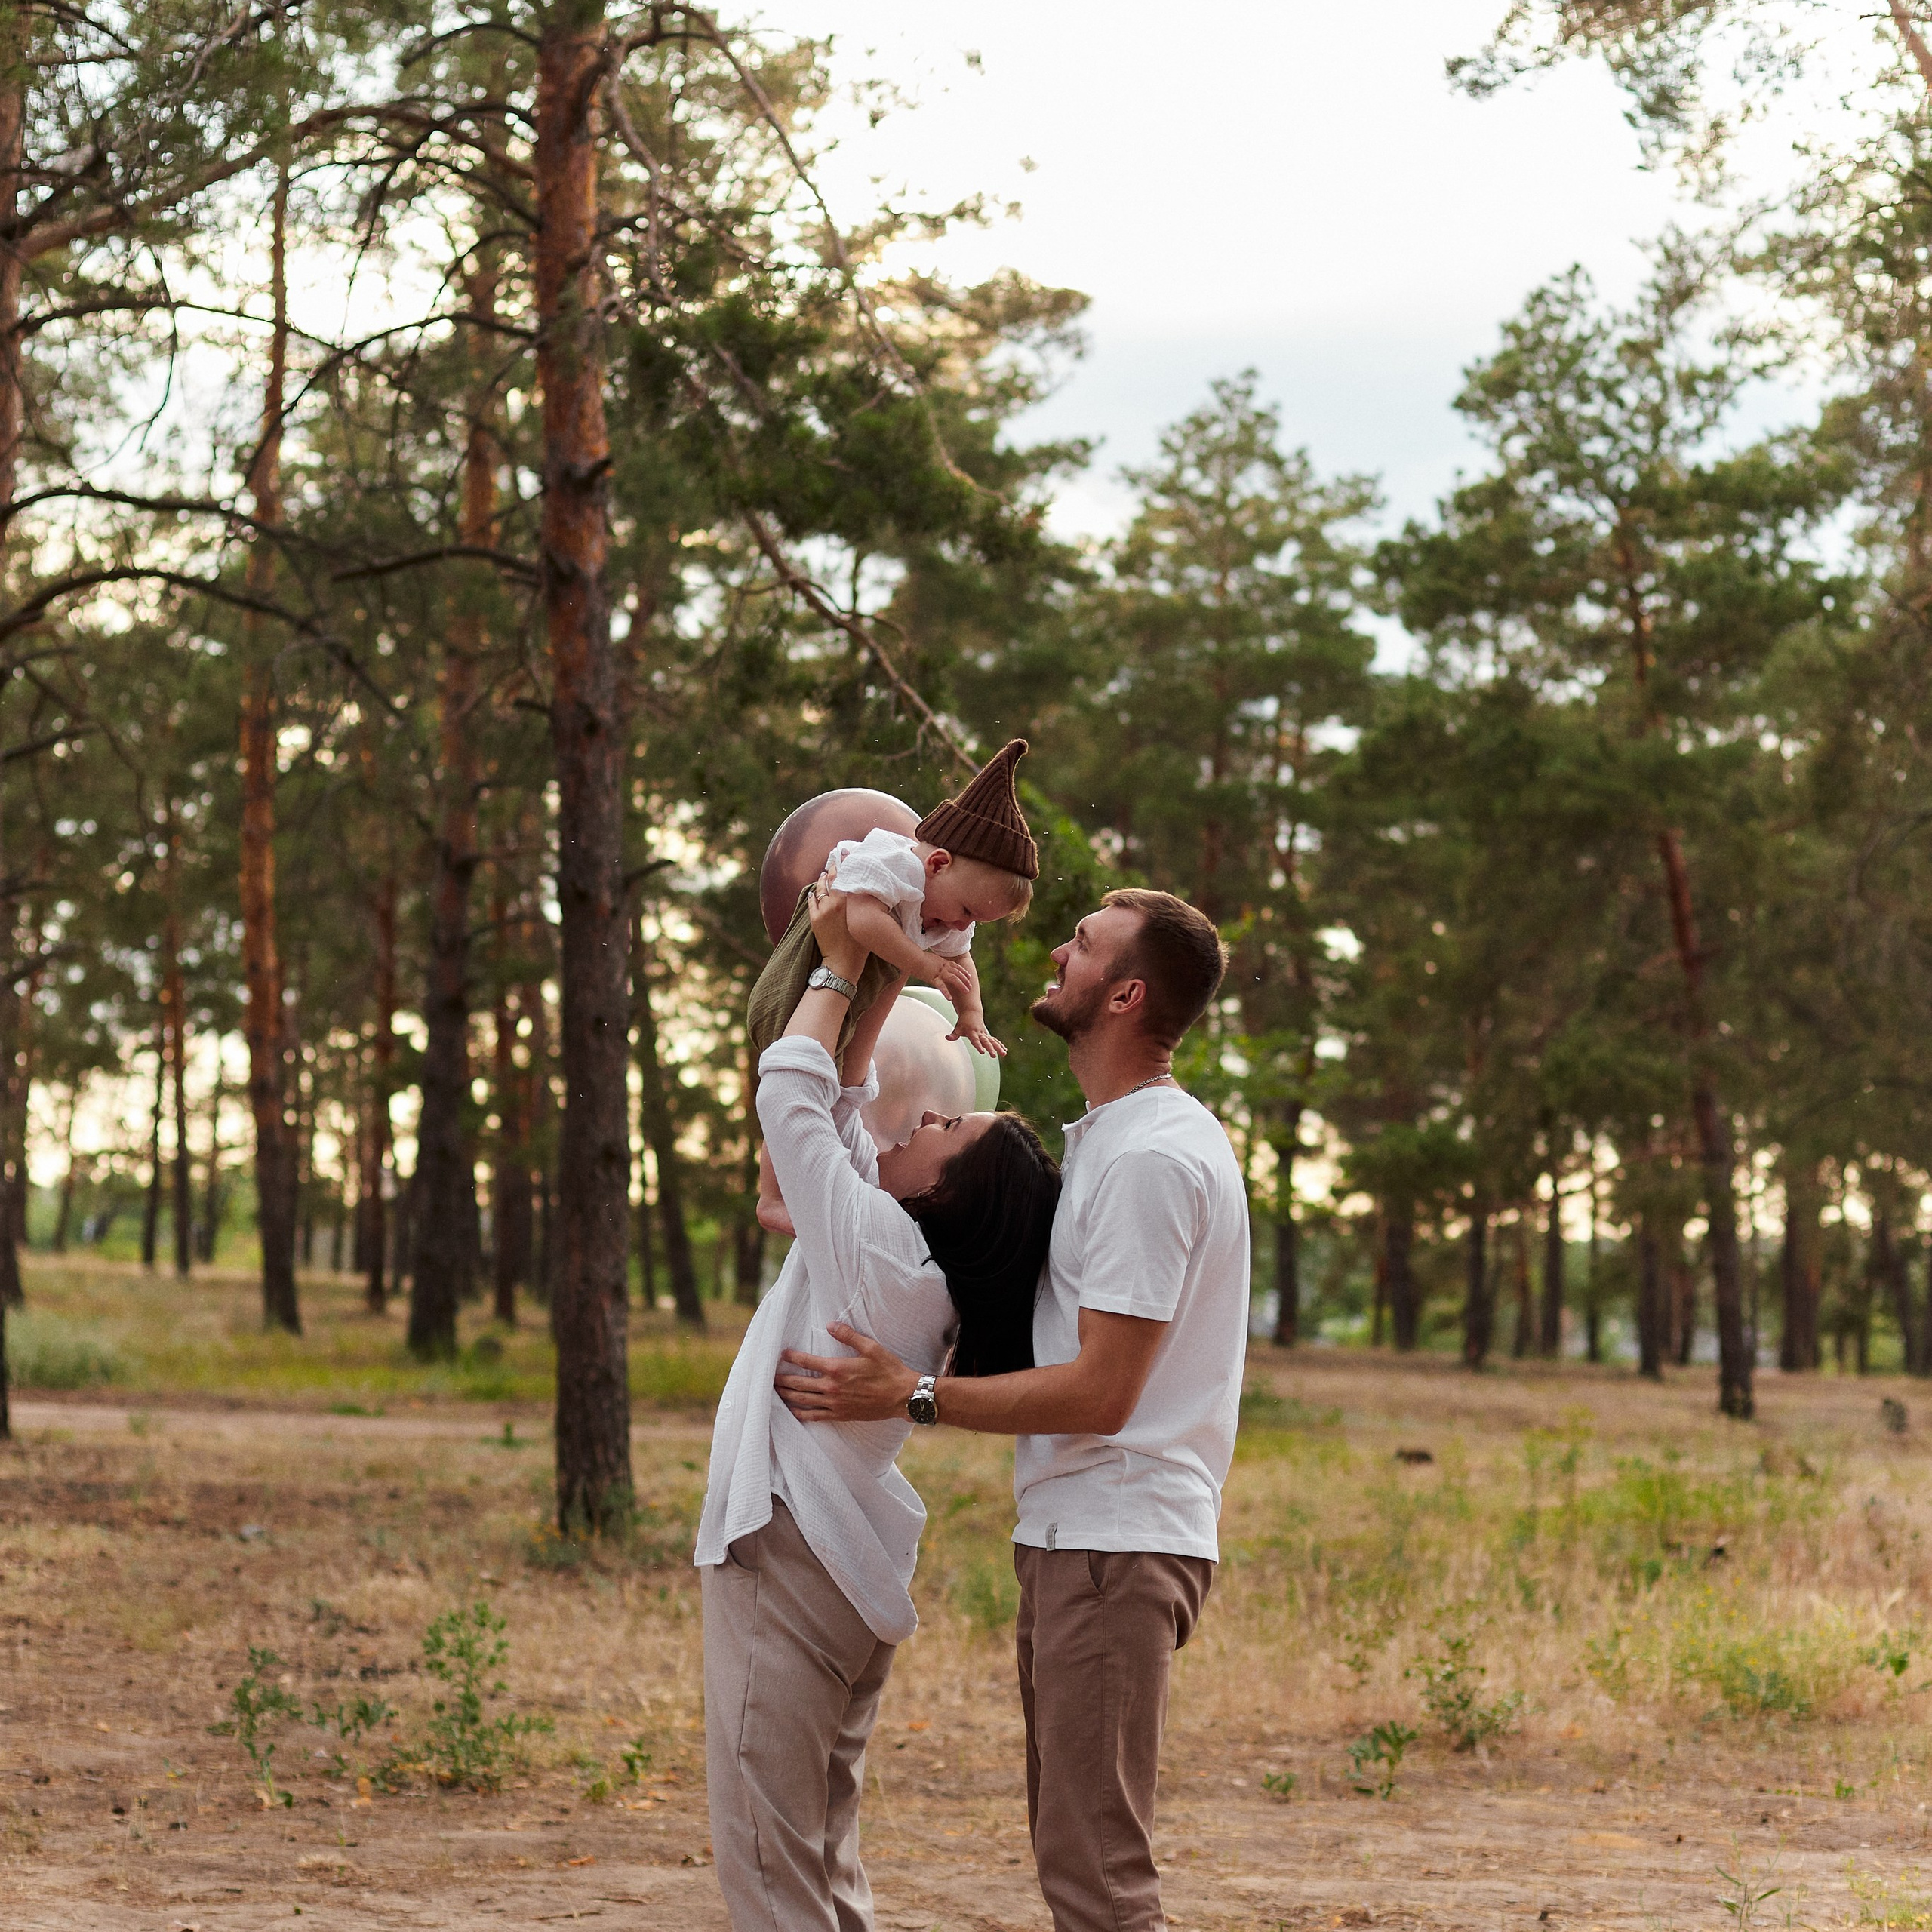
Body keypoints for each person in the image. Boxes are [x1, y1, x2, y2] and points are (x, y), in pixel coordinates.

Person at [775, 888, 1247, 1932]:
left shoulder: (1148, 1161)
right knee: (1079, 1863)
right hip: (1084, 1540)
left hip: (1115, 1545)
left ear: (1123, 994)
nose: (1058, 952)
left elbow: (1103, 1390)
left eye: (1083, 946)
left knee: (1098, 1880)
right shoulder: (1117, 1145)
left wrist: (917, 1395)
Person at [697, 877, 1062, 1932]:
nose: (928, 1112)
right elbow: (840, 1107)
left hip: (792, 1556)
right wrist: (894, 958)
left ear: (947, 1193)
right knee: (821, 1847)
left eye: (949, 1125)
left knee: (771, 1865)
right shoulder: (905, 1257)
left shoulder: (883, 1258)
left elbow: (792, 1095)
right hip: (837, 1563)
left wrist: (836, 958)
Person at [746, 739, 1039, 1235]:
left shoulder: (947, 910)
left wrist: (972, 1013)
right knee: (799, 1077)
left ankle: (813, 1182)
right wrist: (924, 965)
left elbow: (960, 957)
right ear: (938, 864)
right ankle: (773, 1195)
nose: (960, 924)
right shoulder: (893, 859)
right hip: (806, 977)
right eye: (966, 910)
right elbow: (862, 922)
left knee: (838, 1085)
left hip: (853, 990)